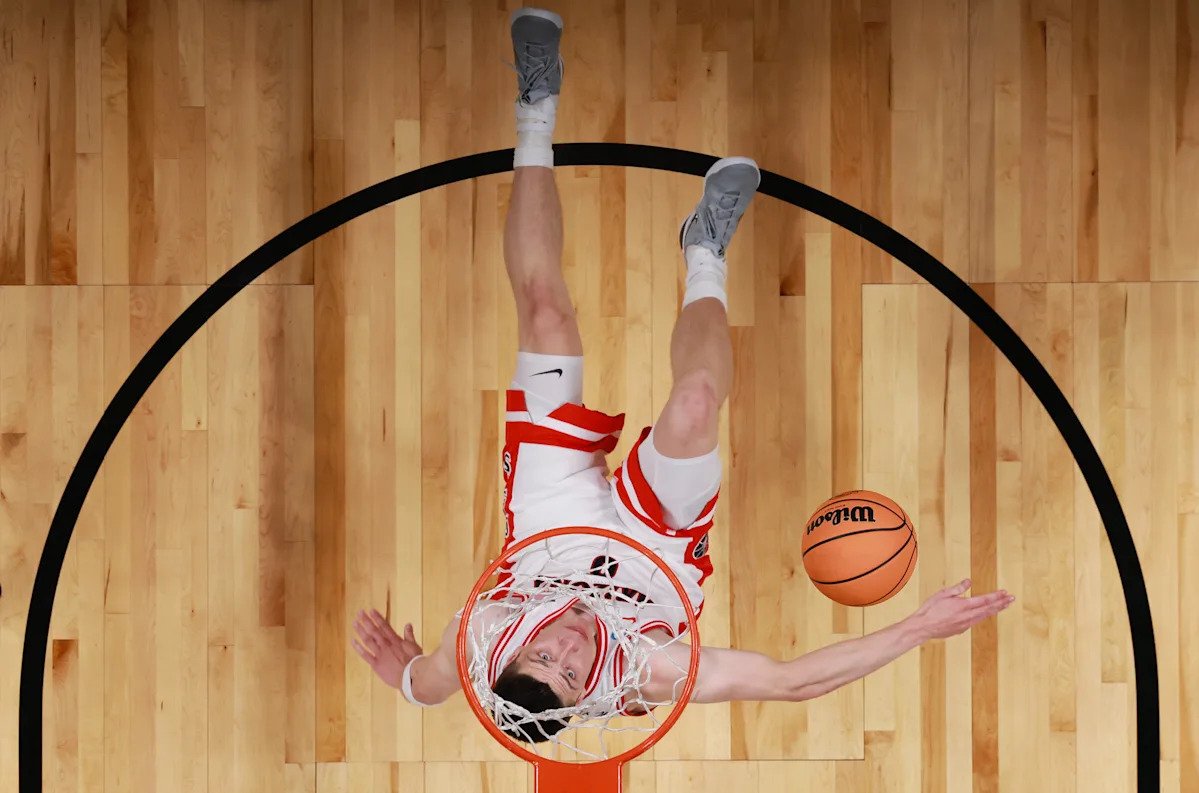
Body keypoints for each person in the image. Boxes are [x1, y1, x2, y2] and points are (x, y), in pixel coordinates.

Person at [350, 7, 1014, 744]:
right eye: (570, 672)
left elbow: (427, 682)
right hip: (651, 561)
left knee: (544, 313)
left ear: (512, 651)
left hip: (549, 528)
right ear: (586, 691)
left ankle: (535, 105)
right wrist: (918, 627)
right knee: (695, 404)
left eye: (542, 654)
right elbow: (791, 682)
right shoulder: (649, 670)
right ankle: (706, 254)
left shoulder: (483, 633)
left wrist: (407, 683)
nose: (566, 646)